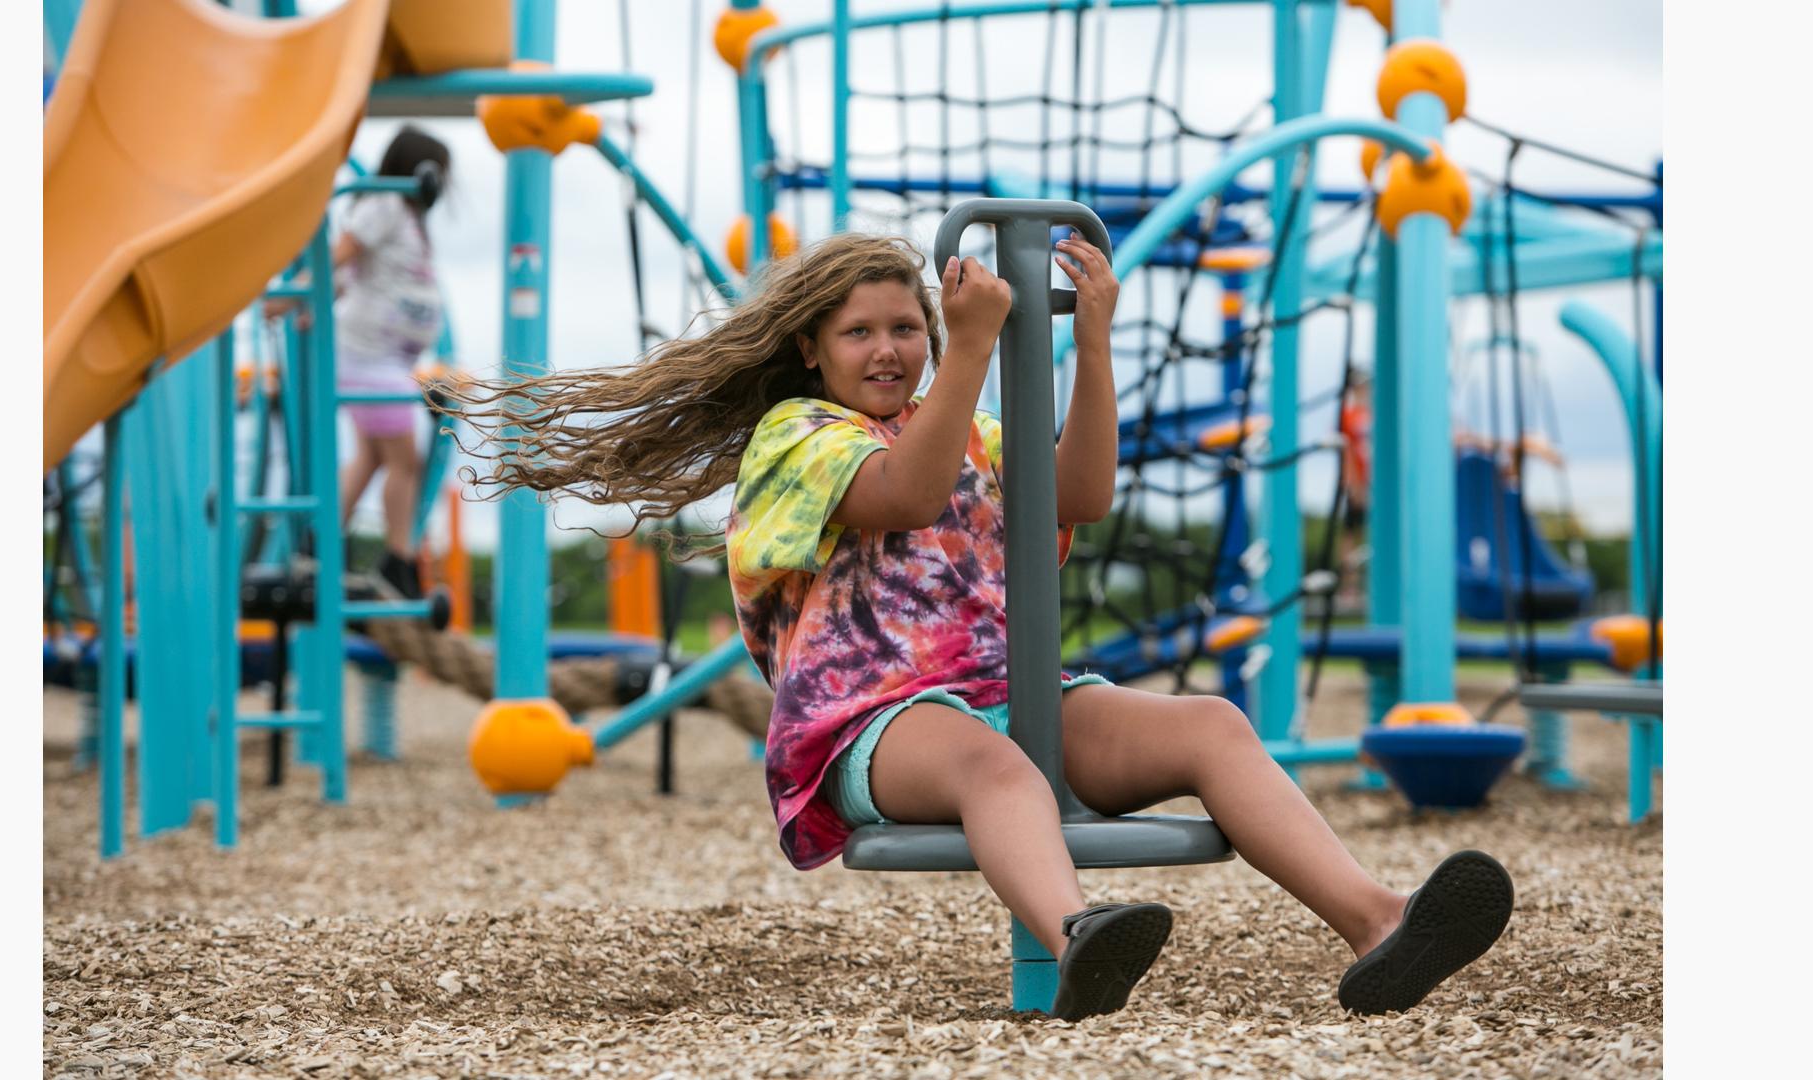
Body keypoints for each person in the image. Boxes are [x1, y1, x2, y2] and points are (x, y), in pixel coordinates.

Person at [451, 233, 1513, 1021]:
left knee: (1211, 727)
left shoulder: (968, 424)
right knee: (1000, 771)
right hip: (865, 721)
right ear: (812, 352)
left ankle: (1379, 922)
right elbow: (906, 496)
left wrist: (1089, 341)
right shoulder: (798, 433)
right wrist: (969, 348)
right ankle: (1078, 934)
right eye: (860, 332)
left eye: (905, 328)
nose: (888, 349)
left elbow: (1082, 491)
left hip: (1003, 689)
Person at [268, 126, 450, 597]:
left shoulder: (406, 217)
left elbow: (353, 274)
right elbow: (340, 256)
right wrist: (289, 301)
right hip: (369, 357)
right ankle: (398, 560)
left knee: (372, 457)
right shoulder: (385, 205)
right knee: (406, 462)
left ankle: (319, 543)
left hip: (386, 356)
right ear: (418, 172)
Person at [1337, 369, 1374, 609]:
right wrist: (1353, 484)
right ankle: (1349, 588)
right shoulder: (1348, 415)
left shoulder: (1371, 413)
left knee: (1373, 534)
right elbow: (1346, 451)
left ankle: (1369, 584)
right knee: (1352, 535)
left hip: (1374, 484)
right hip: (1357, 484)